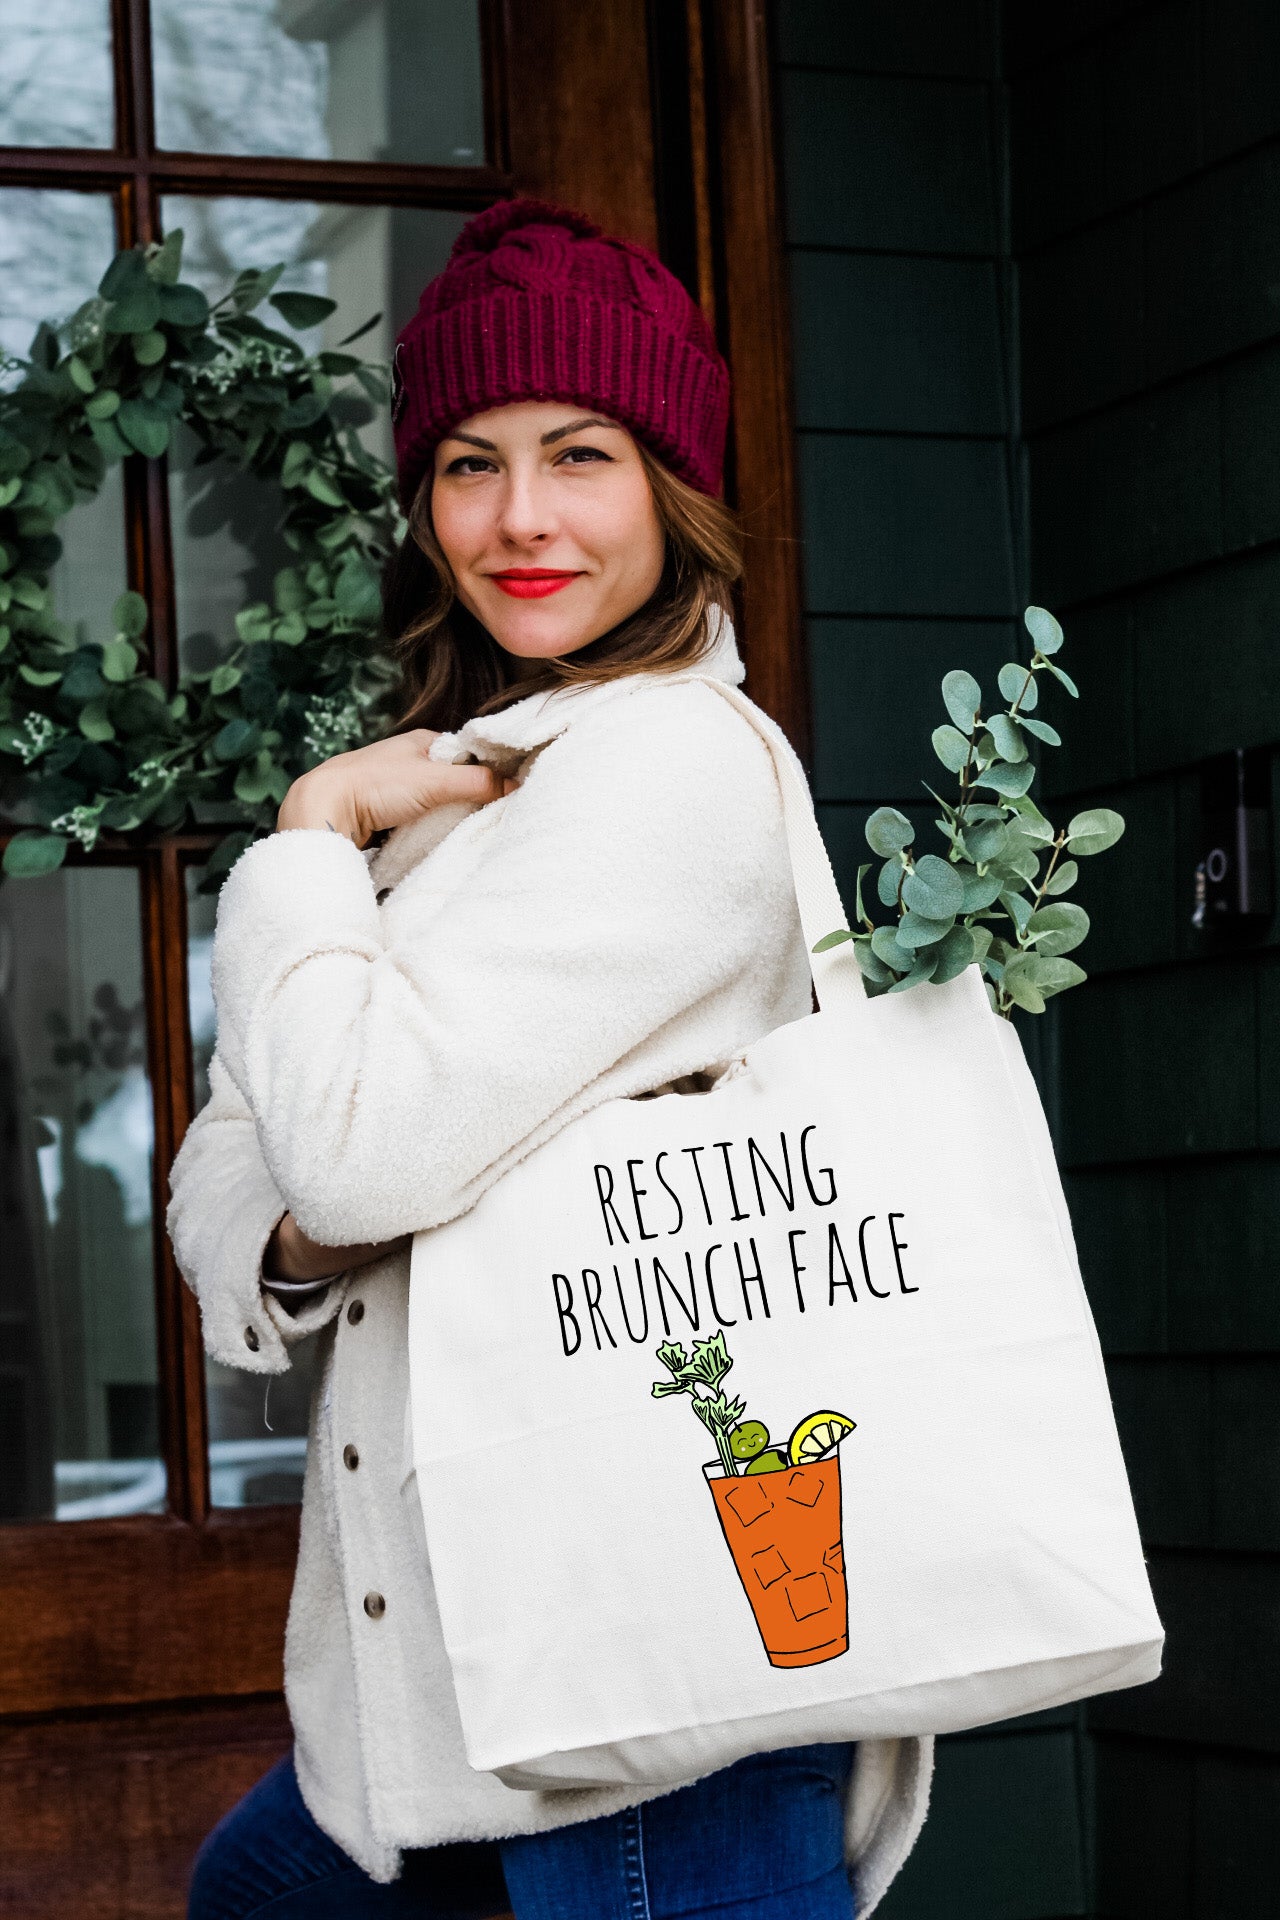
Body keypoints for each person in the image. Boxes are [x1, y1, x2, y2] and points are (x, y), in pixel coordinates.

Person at [171, 198, 932, 1920]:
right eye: (466, 462)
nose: (519, 519)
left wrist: (304, 835)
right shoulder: (463, 790)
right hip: (448, 1686)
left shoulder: (663, 769)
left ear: (672, 485)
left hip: (646, 1680)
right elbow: (238, 1172)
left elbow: (348, 1152)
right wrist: (312, 1203)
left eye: (578, 454)